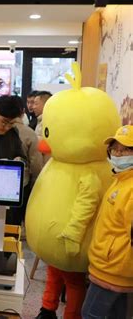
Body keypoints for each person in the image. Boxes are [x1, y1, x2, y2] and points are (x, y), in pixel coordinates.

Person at [81, 125, 133, 319]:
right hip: (111, 265)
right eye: (115, 149)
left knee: (90, 314)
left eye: (126, 149)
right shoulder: (120, 179)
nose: (119, 154)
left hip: (113, 268)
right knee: (114, 315)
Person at [7, 97, 43, 225]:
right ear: (22, 112)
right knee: (16, 218)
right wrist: (35, 184)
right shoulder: (29, 133)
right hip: (21, 183)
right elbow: (36, 163)